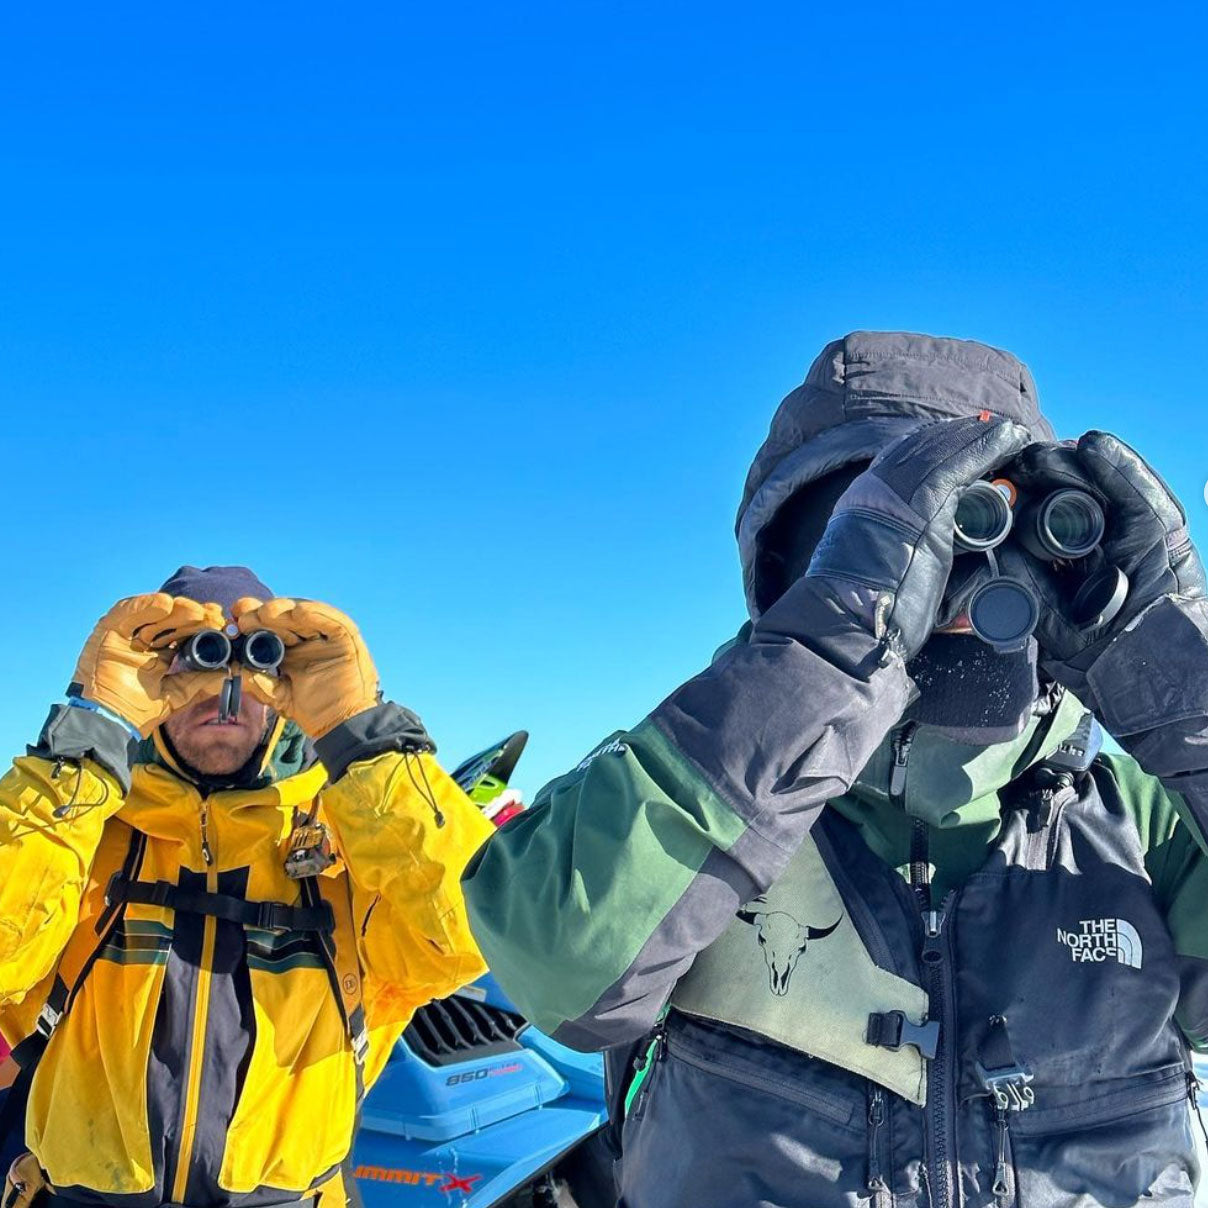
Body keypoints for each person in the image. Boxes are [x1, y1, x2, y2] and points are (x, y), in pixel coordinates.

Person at [463, 332, 1208, 1207]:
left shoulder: (1142, 822)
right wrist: (829, 652)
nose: (958, 584)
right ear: (793, 573)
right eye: (897, 536)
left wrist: (1182, 684)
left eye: (994, 534)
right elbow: (558, 966)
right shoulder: (704, 783)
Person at [0, 566, 493, 1208]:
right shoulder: (88, 827)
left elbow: (464, 942)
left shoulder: (347, 837)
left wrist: (368, 739)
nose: (222, 689)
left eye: (256, 661)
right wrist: (86, 740)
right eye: (191, 662)